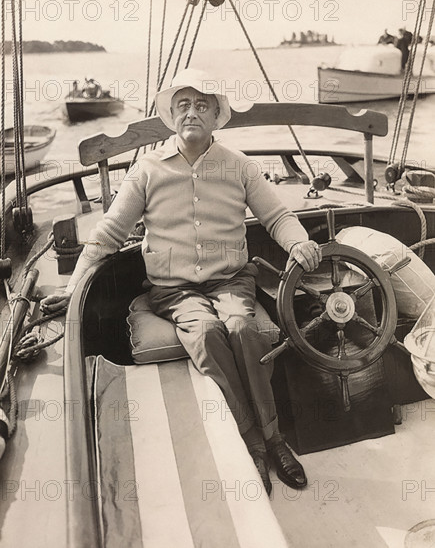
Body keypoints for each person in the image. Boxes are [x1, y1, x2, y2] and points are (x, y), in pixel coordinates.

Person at [41, 68, 322, 496]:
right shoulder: (147, 170)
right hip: (173, 291)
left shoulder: (240, 166)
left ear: (216, 116)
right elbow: (108, 235)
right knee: (208, 333)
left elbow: (279, 217)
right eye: (184, 105)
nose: (193, 112)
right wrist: (72, 287)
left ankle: (274, 439)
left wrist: (299, 244)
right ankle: (254, 443)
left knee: (243, 328)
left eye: (202, 105)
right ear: (173, 116)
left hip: (232, 281)